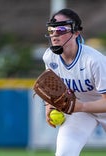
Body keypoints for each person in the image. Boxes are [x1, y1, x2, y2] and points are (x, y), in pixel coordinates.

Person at [43, 8, 106, 156]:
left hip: (87, 106)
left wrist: (81, 106)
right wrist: (49, 106)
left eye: (61, 29)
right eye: (52, 30)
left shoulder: (94, 61)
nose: (55, 34)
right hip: (81, 112)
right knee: (64, 153)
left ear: (76, 32)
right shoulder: (50, 57)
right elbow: (52, 85)